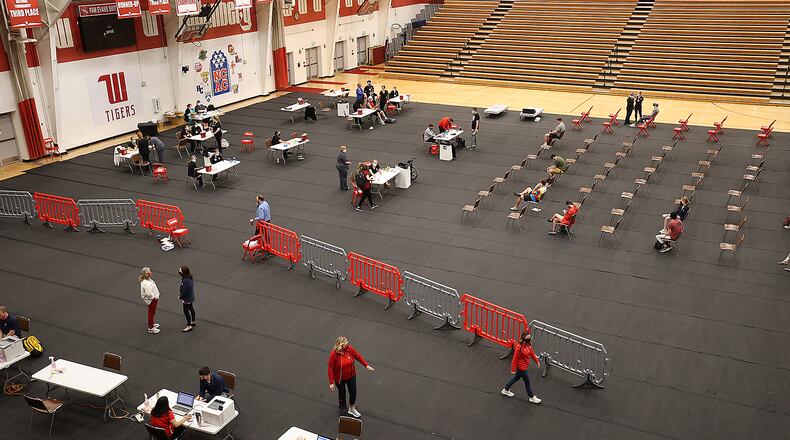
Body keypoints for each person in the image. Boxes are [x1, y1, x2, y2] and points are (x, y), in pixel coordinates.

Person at [327, 336, 375, 417]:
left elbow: (357, 356)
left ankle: (351, 408)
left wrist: (366, 365)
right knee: (342, 393)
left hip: (351, 376)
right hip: (339, 379)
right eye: (345, 344)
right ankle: (342, 407)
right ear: (340, 345)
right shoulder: (334, 355)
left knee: (353, 392)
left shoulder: (350, 349)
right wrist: (331, 382)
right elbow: (330, 368)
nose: (347, 345)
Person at [501, 331, 541, 404]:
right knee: (527, 382)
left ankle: (506, 389)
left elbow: (532, 353)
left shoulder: (528, 345)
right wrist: (513, 369)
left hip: (524, 366)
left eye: (530, 338)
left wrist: (537, 361)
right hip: (522, 368)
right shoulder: (519, 348)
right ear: (523, 338)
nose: (529, 339)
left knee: (516, 378)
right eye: (527, 338)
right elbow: (515, 359)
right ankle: (531, 397)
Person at [140, 267, 160, 334]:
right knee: (151, 313)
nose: (151, 273)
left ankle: (152, 324)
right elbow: (148, 293)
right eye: (149, 272)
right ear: (146, 274)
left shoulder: (147, 279)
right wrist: (154, 297)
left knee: (152, 312)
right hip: (151, 300)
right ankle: (151, 328)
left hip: (152, 299)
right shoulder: (146, 283)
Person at [178, 266, 196, 332]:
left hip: (187, 298)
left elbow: (185, 291)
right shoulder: (188, 277)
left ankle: (189, 326)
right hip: (190, 297)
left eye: (180, 271)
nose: (179, 271)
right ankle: (193, 321)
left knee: (186, 311)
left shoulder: (186, 281)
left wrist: (181, 296)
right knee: (191, 308)